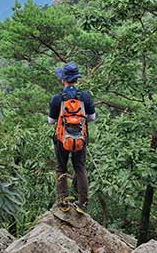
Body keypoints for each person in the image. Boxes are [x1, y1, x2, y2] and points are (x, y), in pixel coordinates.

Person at [48, 62, 96, 212]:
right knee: (80, 168)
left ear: (64, 80)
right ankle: (83, 203)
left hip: (62, 139)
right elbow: (92, 117)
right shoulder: (85, 96)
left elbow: (51, 121)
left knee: (61, 168)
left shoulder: (57, 98)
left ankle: (63, 202)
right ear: (77, 79)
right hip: (81, 139)